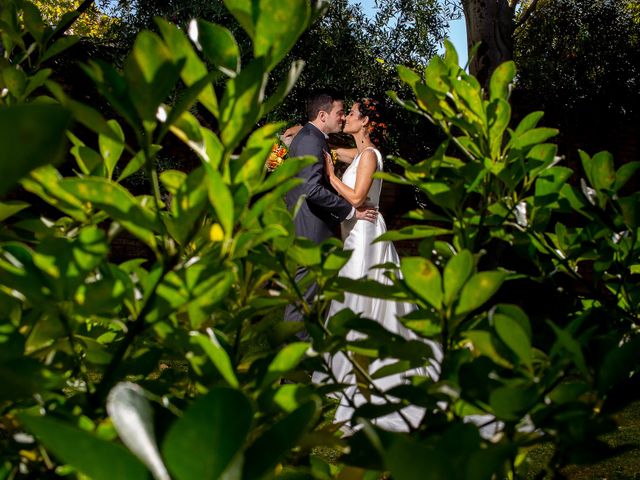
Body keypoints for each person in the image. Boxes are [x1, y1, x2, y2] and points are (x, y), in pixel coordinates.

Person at [313, 98, 442, 433]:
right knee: (353, 297)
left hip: (365, 236)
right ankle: (347, 369)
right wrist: (307, 138)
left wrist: (328, 175)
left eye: (352, 115)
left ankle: (361, 372)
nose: (347, 119)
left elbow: (356, 198)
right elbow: (339, 153)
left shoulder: (370, 156)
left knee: (358, 297)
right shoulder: (360, 153)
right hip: (355, 234)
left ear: (366, 121)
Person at [284, 91, 378, 338]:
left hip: (333, 230)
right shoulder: (311, 140)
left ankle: (303, 356)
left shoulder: (317, 139)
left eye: (348, 113)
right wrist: (349, 211)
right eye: (340, 113)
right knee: (303, 299)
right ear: (323, 115)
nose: (343, 117)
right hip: (312, 231)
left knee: (311, 298)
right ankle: (292, 360)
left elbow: (356, 157)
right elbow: (311, 188)